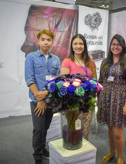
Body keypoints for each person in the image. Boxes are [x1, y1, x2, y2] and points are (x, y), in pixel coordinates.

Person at [97, 34, 126, 164]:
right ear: (110, 46)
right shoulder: (105, 62)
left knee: (118, 132)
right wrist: (98, 98)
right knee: (109, 128)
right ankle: (112, 152)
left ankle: (120, 156)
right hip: (106, 99)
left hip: (120, 101)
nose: (116, 47)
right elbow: (100, 81)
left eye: (118, 44)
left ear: (123, 46)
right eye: (113, 44)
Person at [25, 30, 60, 164]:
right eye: (43, 39)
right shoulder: (31, 57)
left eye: (48, 40)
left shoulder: (56, 59)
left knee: (45, 127)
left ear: (52, 42)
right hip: (36, 100)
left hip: (50, 99)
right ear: (38, 41)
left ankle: (43, 148)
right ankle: (37, 155)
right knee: (38, 129)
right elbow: (29, 80)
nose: (46, 42)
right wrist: (40, 99)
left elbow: (56, 81)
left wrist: (46, 95)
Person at [60, 34, 97, 140]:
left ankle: (84, 148)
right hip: (73, 102)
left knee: (86, 126)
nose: (78, 46)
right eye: (75, 43)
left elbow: (95, 80)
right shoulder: (67, 61)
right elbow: (64, 83)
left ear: (84, 46)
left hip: (89, 100)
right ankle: (73, 147)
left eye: (81, 43)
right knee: (74, 127)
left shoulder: (90, 61)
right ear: (72, 46)